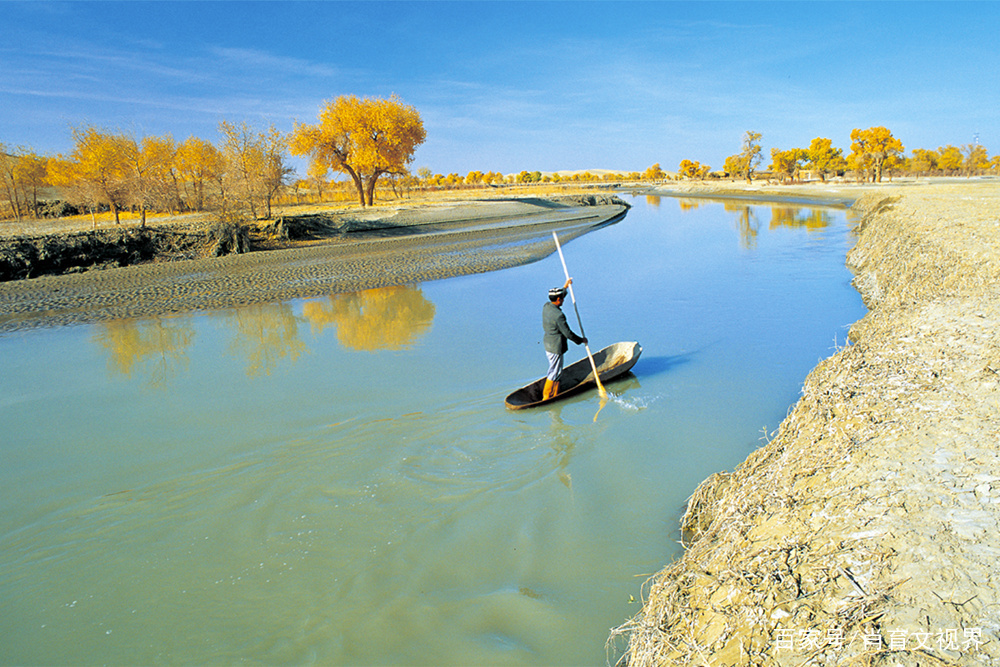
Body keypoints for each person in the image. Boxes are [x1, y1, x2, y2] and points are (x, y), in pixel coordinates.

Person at [542, 278, 587, 400]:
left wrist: (565, 287)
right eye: (561, 298)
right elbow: (567, 333)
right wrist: (580, 340)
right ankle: (547, 397)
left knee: (556, 371)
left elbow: (558, 294)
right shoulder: (559, 316)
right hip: (556, 347)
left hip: (548, 345)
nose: (563, 300)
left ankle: (555, 393)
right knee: (554, 372)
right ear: (558, 300)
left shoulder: (546, 306)